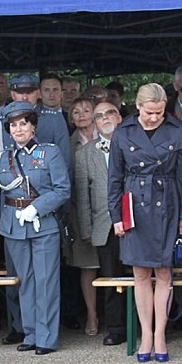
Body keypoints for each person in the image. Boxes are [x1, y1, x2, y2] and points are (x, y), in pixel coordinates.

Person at [108, 83, 182, 362]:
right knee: (141, 274)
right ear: (138, 106)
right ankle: (145, 334)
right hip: (134, 203)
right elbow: (114, 179)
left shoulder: (178, 130)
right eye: (149, 112)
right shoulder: (123, 131)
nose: (155, 117)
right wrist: (116, 217)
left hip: (167, 202)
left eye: (159, 112)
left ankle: (160, 335)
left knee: (165, 273)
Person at [0, 101, 71, 354]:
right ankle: (30, 333)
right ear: (8, 130)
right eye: (13, 125)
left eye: (24, 124)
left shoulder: (49, 152)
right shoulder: (3, 157)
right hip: (14, 224)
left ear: (33, 127)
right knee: (26, 281)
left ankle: (46, 338)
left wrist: (37, 208)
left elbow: (63, 189)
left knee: (45, 281)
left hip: (42, 222)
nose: (19, 129)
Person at [76, 101, 127, 346]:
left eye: (110, 113)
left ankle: (142, 325)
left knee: (139, 276)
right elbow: (82, 195)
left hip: (135, 223)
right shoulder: (85, 154)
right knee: (110, 279)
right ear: (94, 123)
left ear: (119, 117)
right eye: (99, 116)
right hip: (103, 226)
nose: (105, 118)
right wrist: (86, 229)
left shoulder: (134, 144)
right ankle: (116, 329)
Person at [68, 97, 100, 335]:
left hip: (108, 211)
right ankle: (92, 316)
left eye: (86, 110)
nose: (81, 115)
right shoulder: (67, 144)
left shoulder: (111, 138)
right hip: (80, 210)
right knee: (87, 266)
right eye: (76, 112)